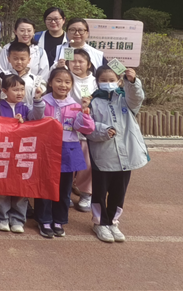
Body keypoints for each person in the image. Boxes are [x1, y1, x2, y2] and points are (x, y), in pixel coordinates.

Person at [87, 64, 148, 243]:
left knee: (119, 192)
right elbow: (87, 127)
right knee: (99, 192)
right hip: (103, 155)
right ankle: (99, 222)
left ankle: (113, 221)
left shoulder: (125, 99)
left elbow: (137, 97)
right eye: (103, 80)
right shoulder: (92, 102)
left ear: (119, 81)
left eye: (112, 80)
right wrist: (103, 131)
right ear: (97, 82)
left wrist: (133, 82)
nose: (108, 83)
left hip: (126, 155)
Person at [35, 67, 95, 239]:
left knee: (64, 188)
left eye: (68, 82)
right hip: (46, 150)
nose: (63, 85)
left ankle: (59, 220)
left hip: (68, 151)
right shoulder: (43, 101)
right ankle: (44, 220)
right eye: (59, 81)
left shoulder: (75, 106)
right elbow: (35, 119)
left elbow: (87, 129)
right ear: (50, 83)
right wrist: (37, 101)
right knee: (45, 186)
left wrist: (85, 112)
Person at [0, 74, 45, 233]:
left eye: (22, 89)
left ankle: (18, 219)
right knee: (2, 186)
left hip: (22, 154)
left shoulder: (26, 107)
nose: (20, 93)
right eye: (15, 90)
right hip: (3, 153)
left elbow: (37, 118)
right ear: (4, 91)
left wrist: (37, 99)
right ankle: (1, 217)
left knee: (21, 186)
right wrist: (11, 123)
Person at [68, 48, 97, 213]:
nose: (77, 64)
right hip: (68, 127)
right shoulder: (66, 77)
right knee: (68, 162)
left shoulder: (95, 82)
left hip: (87, 129)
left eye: (81, 61)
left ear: (89, 64)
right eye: (73, 61)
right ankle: (66, 192)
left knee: (87, 164)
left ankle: (86, 193)